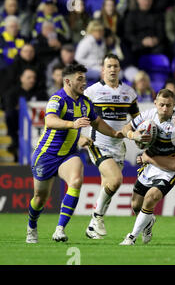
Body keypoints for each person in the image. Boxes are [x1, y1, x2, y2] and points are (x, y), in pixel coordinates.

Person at [26, 64, 125, 244]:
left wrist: (115, 133)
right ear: (67, 81)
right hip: (46, 156)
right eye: (80, 79)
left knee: (76, 181)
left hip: (68, 156)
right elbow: (50, 120)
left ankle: (60, 229)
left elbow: (97, 122)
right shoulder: (58, 99)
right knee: (40, 199)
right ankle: (32, 226)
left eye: (84, 79)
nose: (84, 83)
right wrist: (73, 124)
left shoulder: (85, 102)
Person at [119, 89, 175, 245]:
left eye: (168, 105)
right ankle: (148, 223)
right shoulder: (147, 116)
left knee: (151, 197)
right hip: (150, 164)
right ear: (155, 104)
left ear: (174, 105)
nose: (165, 108)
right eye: (162, 105)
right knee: (136, 205)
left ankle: (131, 237)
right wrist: (135, 135)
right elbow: (126, 129)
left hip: (169, 168)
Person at [83, 54, 143, 239]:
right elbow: (79, 116)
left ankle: (92, 227)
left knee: (108, 187)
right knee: (116, 180)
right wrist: (77, 136)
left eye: (115, 66)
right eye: (108, 66)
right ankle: (97, 217)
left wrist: (140, 134)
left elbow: (137, 120)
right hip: (98, 143)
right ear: (102, 69)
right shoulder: (91, 92)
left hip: (119, 146)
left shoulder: (129, 92)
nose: (112, 69)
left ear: (119, 69)